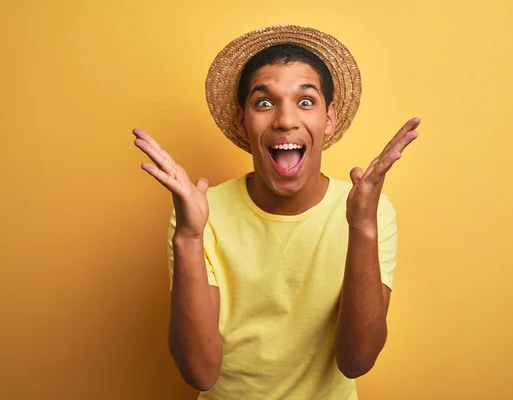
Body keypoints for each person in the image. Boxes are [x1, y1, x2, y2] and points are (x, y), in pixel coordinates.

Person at [133, 24, 419, 400]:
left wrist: (362, 229)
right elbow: (200, 372)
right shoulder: (202, 214)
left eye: (305, 101)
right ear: (241, 120)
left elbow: (357, 361)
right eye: (264, 103)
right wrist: (188, 237)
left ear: (329, 118)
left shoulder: (369, 211)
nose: (285, 120)